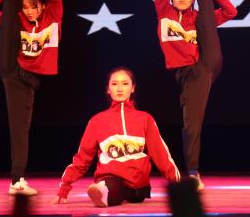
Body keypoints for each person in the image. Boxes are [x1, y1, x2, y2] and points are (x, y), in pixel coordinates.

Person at [154, 0, 236, 189]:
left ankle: (192, 173)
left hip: (203, 65)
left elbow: (231, 12)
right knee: (191, 124)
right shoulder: (165, 13)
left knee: (206, 19)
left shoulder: (198, 17)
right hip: (185, 74)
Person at [0, 0, 62, 196]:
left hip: (29, 79)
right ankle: (17, 181)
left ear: (43, 7)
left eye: (33, 7)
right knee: (19, 129)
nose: (28, 11)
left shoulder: (53, 18)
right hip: (11, 68)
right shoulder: (19, 19)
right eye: (25, 7)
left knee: (21, 128)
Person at [54, 67, 181, 207]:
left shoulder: (145, 119)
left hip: (139, 186)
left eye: (125, 84)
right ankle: (102, 192)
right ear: (108, 89)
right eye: (114, 84)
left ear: (133, 88)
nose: (120, 88)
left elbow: (160, 153)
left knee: (133, 193)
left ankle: (106, 193)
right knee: (111, 186)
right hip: (112, 179)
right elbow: (82, 158)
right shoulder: (97, 121)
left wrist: (178, 184)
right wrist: (65, 186)